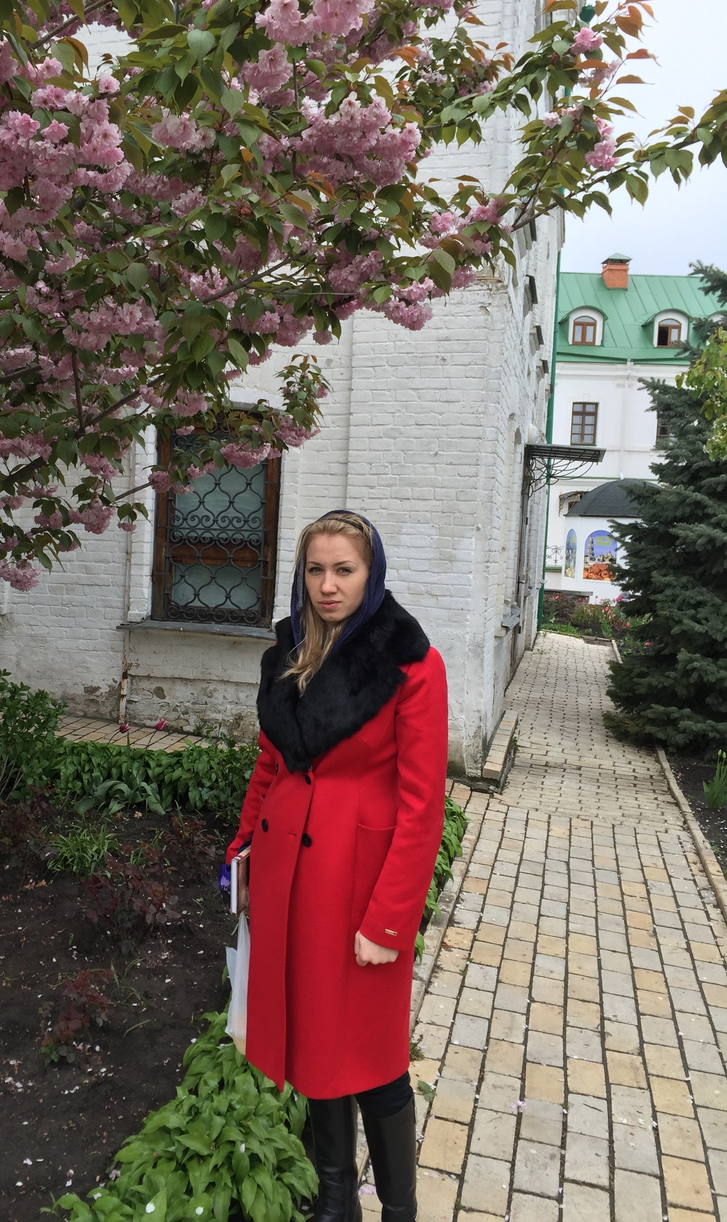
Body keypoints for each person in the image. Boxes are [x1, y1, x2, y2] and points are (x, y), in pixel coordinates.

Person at [224, 511, 448, 1222]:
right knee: (314, 1040)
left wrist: (389, 921)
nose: (328, 585)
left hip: (357, 887)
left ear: (370, 574)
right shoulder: (288, 651)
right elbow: (272, 763)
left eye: (344, 570)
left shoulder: (411, 663)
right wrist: (240, 854)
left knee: (374, 1059)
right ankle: (335, 1199)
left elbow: (422, 807)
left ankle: (400, 1211)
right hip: (288, 877)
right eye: (315, 570)